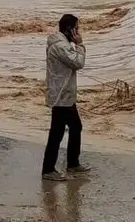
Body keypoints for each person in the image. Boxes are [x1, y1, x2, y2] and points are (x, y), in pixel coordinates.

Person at [41, 14, 91, 181]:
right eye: (77, 28)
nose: (78, 32)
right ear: (70, 30)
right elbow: (78, 63)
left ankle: (72, 164)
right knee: (60, 132)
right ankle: (51, 169)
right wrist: (81, 45)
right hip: (61, 96)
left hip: (63, 94)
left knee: (71, 128)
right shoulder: (61, 47)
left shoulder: (60, 44)